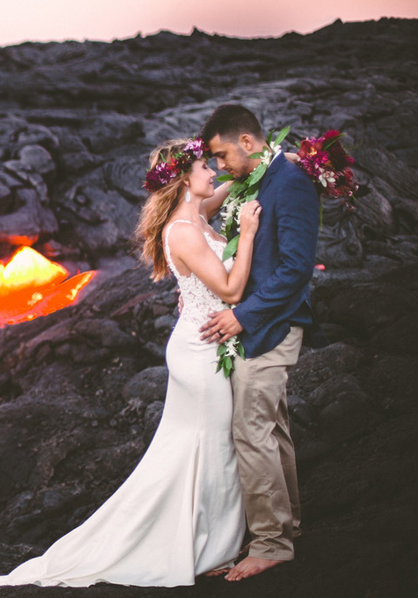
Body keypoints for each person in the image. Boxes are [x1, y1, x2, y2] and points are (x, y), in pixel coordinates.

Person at [0, 138, 262, 589]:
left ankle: (202, 539)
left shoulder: (198, 212)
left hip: (204, 342)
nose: (212, 170)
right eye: (202, 166)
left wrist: (279, 158)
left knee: (196, 449)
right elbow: (231, 291)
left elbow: (234, 181)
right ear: (182, 179)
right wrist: (248, 234)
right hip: (199, 351)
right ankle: (199, 545)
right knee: (212, 446)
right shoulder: (185, 230)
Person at [198, 104, 320, 582]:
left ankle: (272, 543)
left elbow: (295, 269)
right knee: (272, 427)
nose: (220, 166)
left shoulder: (289, 184)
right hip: (259, 325)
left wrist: (240, 316)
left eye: (223, 155)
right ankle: (289, 523)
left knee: (250, 431)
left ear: (247, 142)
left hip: (270, 327)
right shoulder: (260, 178)